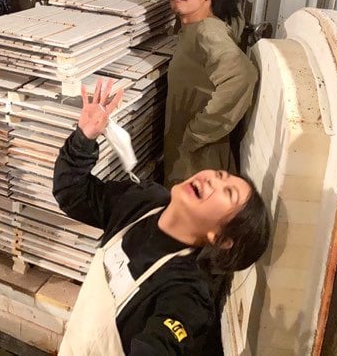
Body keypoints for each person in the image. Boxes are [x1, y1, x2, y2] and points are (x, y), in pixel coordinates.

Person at [53, 78, 271, 355]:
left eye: (227, 192)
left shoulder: (186, 293)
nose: (211, 180)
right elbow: (72, 193)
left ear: (220, 238)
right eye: (219, 174)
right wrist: (84, 138)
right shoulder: (143, 201)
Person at [163, 0, 259, 187]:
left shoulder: (206, 31)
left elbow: (242, 76)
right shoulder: (213, 24)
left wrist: (196, 133)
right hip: (203, 157)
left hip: (195, 164)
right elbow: (235, 18)